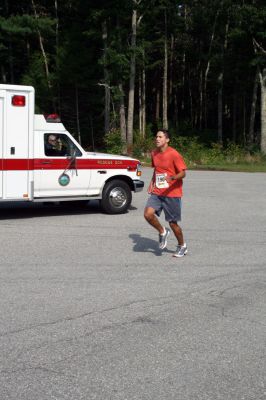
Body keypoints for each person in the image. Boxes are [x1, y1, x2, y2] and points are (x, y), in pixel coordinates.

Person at [144, 129, 187, 258]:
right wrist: (152, 183)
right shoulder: (154, 153)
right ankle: (162, 232)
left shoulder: (174, 154)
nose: (157, 139)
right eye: (156, 137)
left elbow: (183, 173)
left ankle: (182, 246)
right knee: (148, 214)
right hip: (157, 191)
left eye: (160, 137)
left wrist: (173, 178)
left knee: (173, 223)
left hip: (172, 193)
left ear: (167, 140)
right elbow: (157, 170)